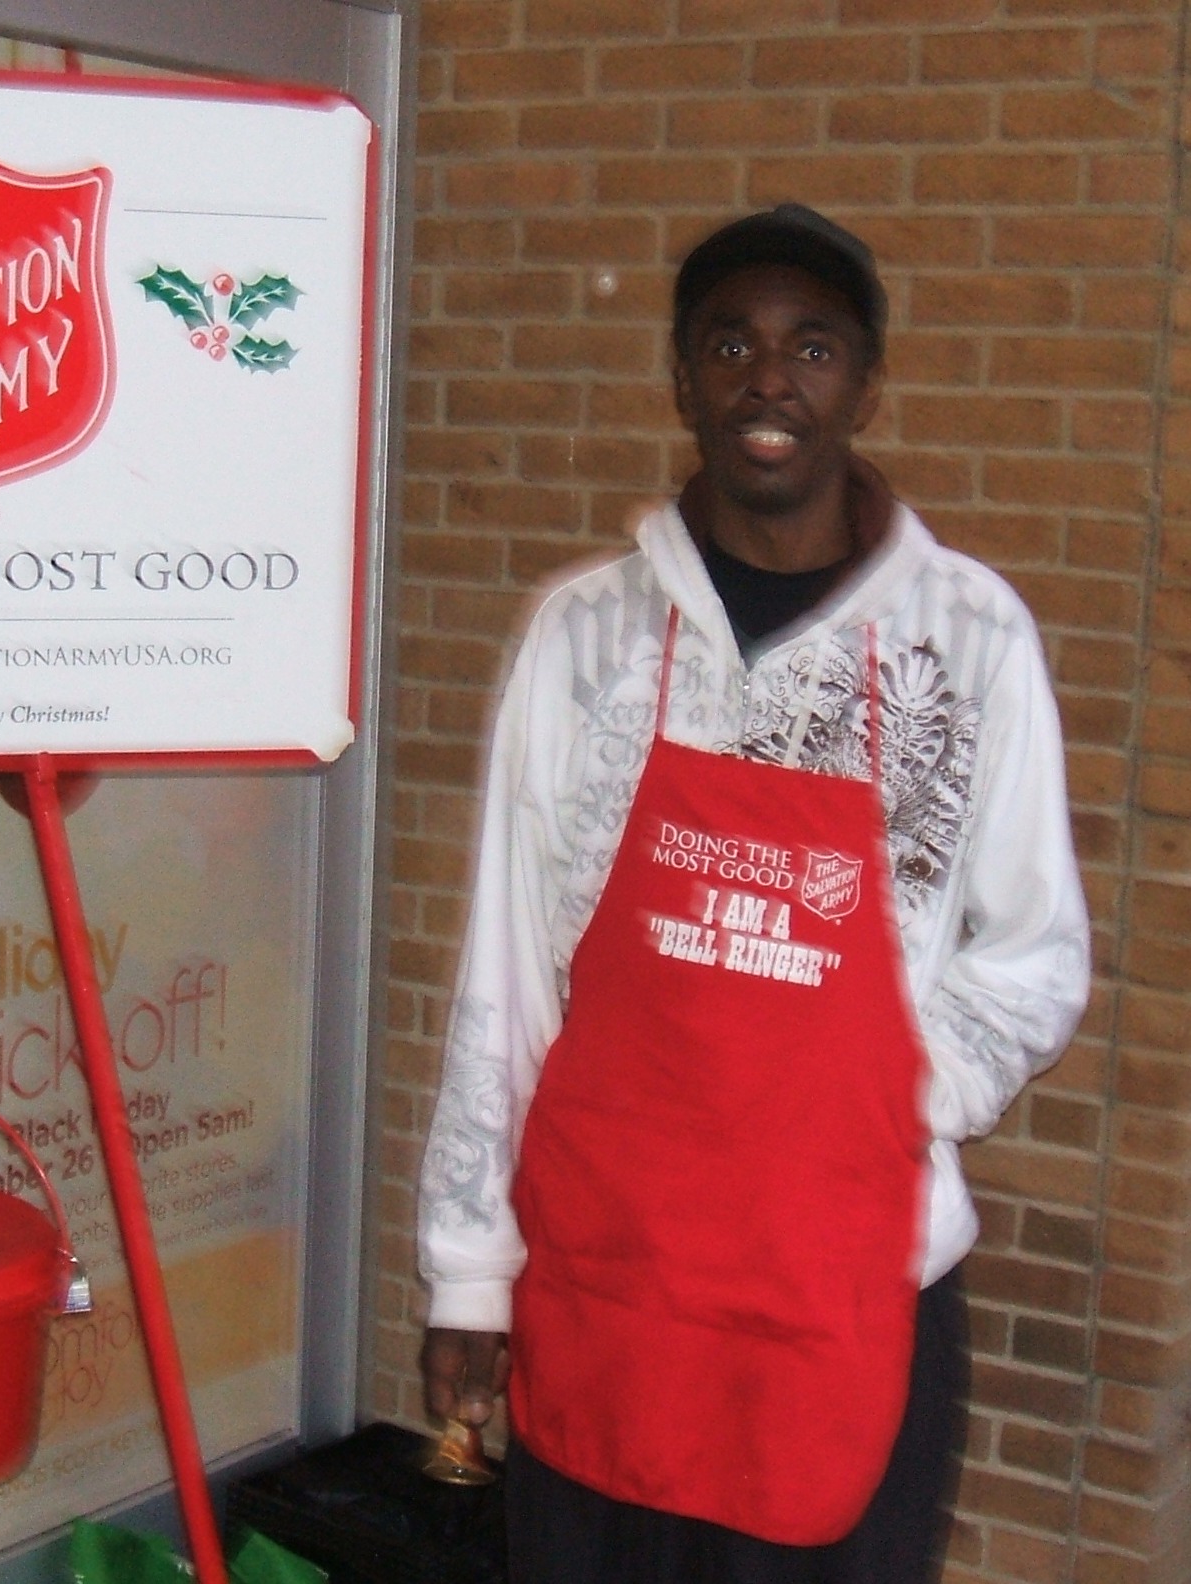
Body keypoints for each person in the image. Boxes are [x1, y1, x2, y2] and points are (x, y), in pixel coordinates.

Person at [416, 205, 1091, 1582]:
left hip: (846, 1287)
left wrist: (884, 1094)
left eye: (812, 347)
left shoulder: (967, 640)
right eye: (729, 345)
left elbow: (1035, 954)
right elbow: (507, 975)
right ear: (683, 380)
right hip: (611, 1278)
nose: (768, 379)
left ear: (865, 384)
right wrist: (470, 1272)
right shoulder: (586, 635)